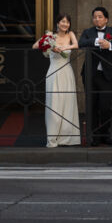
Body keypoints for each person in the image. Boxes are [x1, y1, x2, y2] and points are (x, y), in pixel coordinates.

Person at [77, 6, 112, 146]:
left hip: (107, 75)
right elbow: (81, 43)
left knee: (105, 107)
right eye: (94, 17)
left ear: (106, 19)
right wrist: (96, 42)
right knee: (92, 106)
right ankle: (94, 136)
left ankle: (105, 134)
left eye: (100, 17)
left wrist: (110, 45)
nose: (97, 19)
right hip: (90, 75)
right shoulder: (88, 32)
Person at [39, 14, 80, 147]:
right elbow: (36, 45)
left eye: (67, 22)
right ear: (57, 23)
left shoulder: (71, 34)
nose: (65, 24)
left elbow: (76, 45)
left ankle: (68, 137)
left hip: (67, 72)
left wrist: (63, 48)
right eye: (62, 21)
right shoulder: (50, 36)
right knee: (54, 103)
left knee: (68, 103)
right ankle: (53, 137)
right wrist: (49, 47)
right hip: (53, 73)